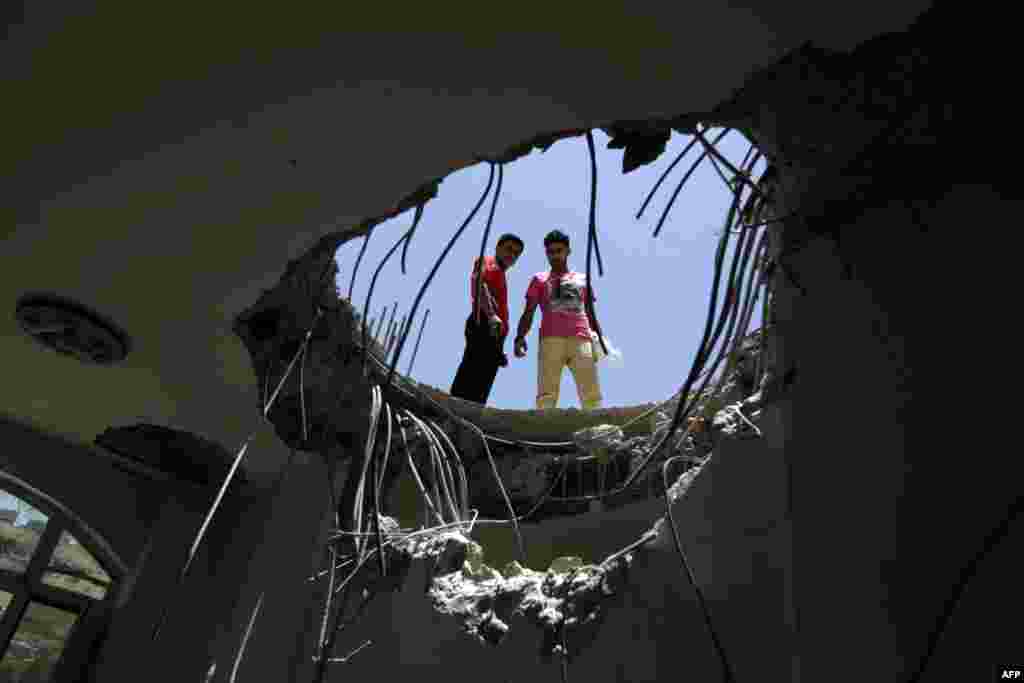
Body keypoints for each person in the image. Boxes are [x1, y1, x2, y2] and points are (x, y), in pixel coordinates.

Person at [513, 229, 603, 411]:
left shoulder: (582, 279)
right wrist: (520, 337)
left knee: (591, 391)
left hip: (581, 338)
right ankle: (543, 430)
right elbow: (529, 311)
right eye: (550, 252)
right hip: (551, 340)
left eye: (559, 251)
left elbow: (591, 313)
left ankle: (597, 429)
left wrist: (600, 339)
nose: (555, 255)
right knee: (546, 393)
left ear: (568, 251)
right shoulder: (539, 279)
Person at [449, 233, 524, 404]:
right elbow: (479, 283)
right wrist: (490, 315)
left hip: (492, 333)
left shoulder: (500, 274)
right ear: (498, 248)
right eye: (509, 249)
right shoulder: (489, 262)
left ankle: (466, 417)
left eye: (516, 254)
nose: (511, 255)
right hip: (484, 322)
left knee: (481, 386)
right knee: (471, 377)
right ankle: (455, 411)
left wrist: (498, 348)